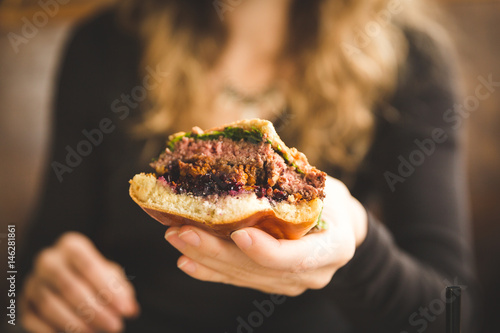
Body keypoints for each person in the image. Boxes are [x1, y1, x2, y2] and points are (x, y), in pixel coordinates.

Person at [18, 0, 478, 332]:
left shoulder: (410, 59)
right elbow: (32, 255)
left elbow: (453, 312)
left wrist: (356, 239)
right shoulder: (105, 43)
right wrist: (41, 286)